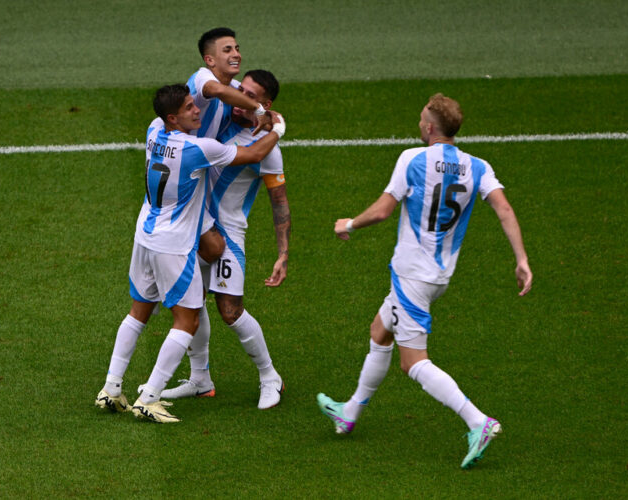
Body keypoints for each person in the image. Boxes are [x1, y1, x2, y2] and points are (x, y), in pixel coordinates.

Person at [317, 93, 532, 469]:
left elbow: (384, 211)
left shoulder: (413, 159)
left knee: (413, 362)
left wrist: (348, 224)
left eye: (421, 120)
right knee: (379, 331)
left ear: (430, 128)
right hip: (439, 275)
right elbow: (504, 208)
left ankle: (478, 421)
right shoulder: (477, 166)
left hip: (412, 273)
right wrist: (522, 259)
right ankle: (349, 412)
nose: (419, 125)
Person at [95, 83, 286, 423]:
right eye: (188, 107)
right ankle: (150, 397)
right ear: (173, 116)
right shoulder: (199, 148)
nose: (197, 109)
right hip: (177, 242)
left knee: (139, 313)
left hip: (147, 234)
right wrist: (280, 127)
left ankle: (111, 387)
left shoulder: (154, 130)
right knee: (188, 319)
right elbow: (254, 154)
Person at [160, 70, 290, 409]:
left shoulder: (266, 149)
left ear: (265, 103)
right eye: (239, 89)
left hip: (228, 236)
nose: (239, 96)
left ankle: (269, 376)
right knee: (192, 304)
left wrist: (283, 253)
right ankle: (200, 379)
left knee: (230, 311)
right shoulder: (218, 123)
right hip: (199, 230)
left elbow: (280, 203)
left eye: (249, 93)